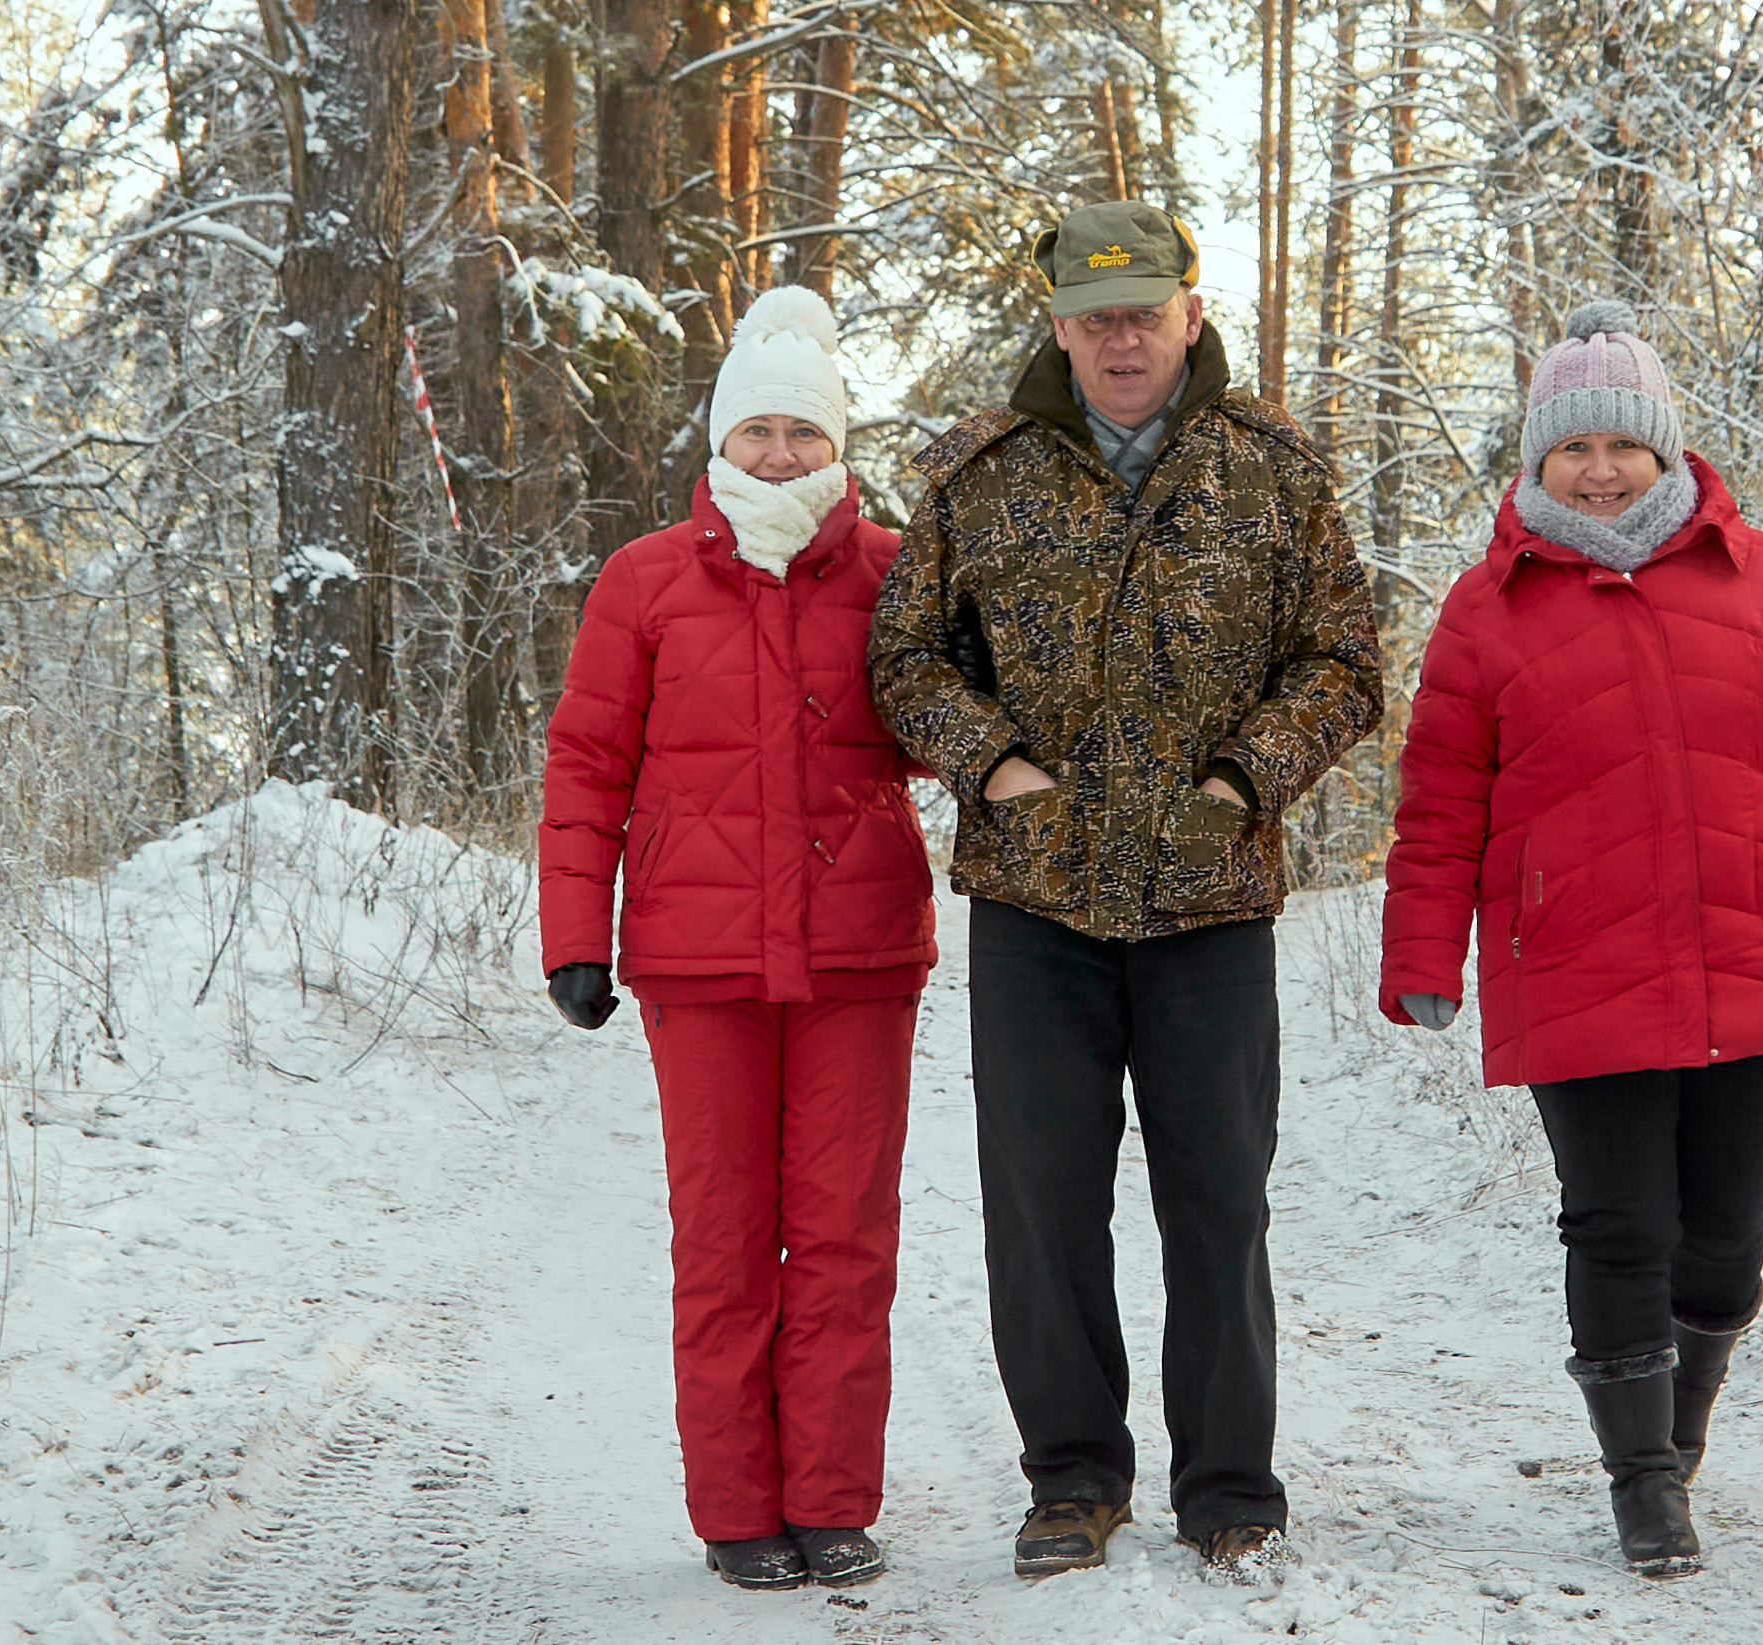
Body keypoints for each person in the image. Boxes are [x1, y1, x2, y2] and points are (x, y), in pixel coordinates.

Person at [867, 201, 1382, 1582]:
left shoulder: (1268, 474)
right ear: (1053, 326)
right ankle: (1072, 1477)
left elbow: (1341, 663)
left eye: (1141, 309)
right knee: (1041, 1204)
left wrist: (1239, 783)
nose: (1118, 334)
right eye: (1092, 315)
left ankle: (1228, 1484)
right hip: (1034, 907)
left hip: (1209, 902)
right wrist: (995, 769)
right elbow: (906, 661)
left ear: (1189, 316)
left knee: (1218, 1199)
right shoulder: (980, 478)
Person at [1378, 298, 1763, 1579]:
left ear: (1666, 448)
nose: (1601, 468)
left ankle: (1674, 1440)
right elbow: (1440, 798)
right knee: (1618, 1223)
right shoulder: (1485, 607)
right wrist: (1421, 959)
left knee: (1725, 1240)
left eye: (1622, 443)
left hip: (1743, 948)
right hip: (1573, 960)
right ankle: (1640, 1481)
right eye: (1573, 448)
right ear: (1536, 461)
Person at [539, 287, 935, 1593]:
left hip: (856, 959)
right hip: (698, 963)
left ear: (836, 447)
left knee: (841, 1239)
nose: (779, 455)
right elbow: (587, 765)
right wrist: (571, 935)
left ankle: (829, 1500)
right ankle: (733, 1511)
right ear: (722, 439)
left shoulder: (890, 573)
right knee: (723, 1241)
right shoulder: (644, 580)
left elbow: (955, 727)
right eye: (758, 431)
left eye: (802, 435)